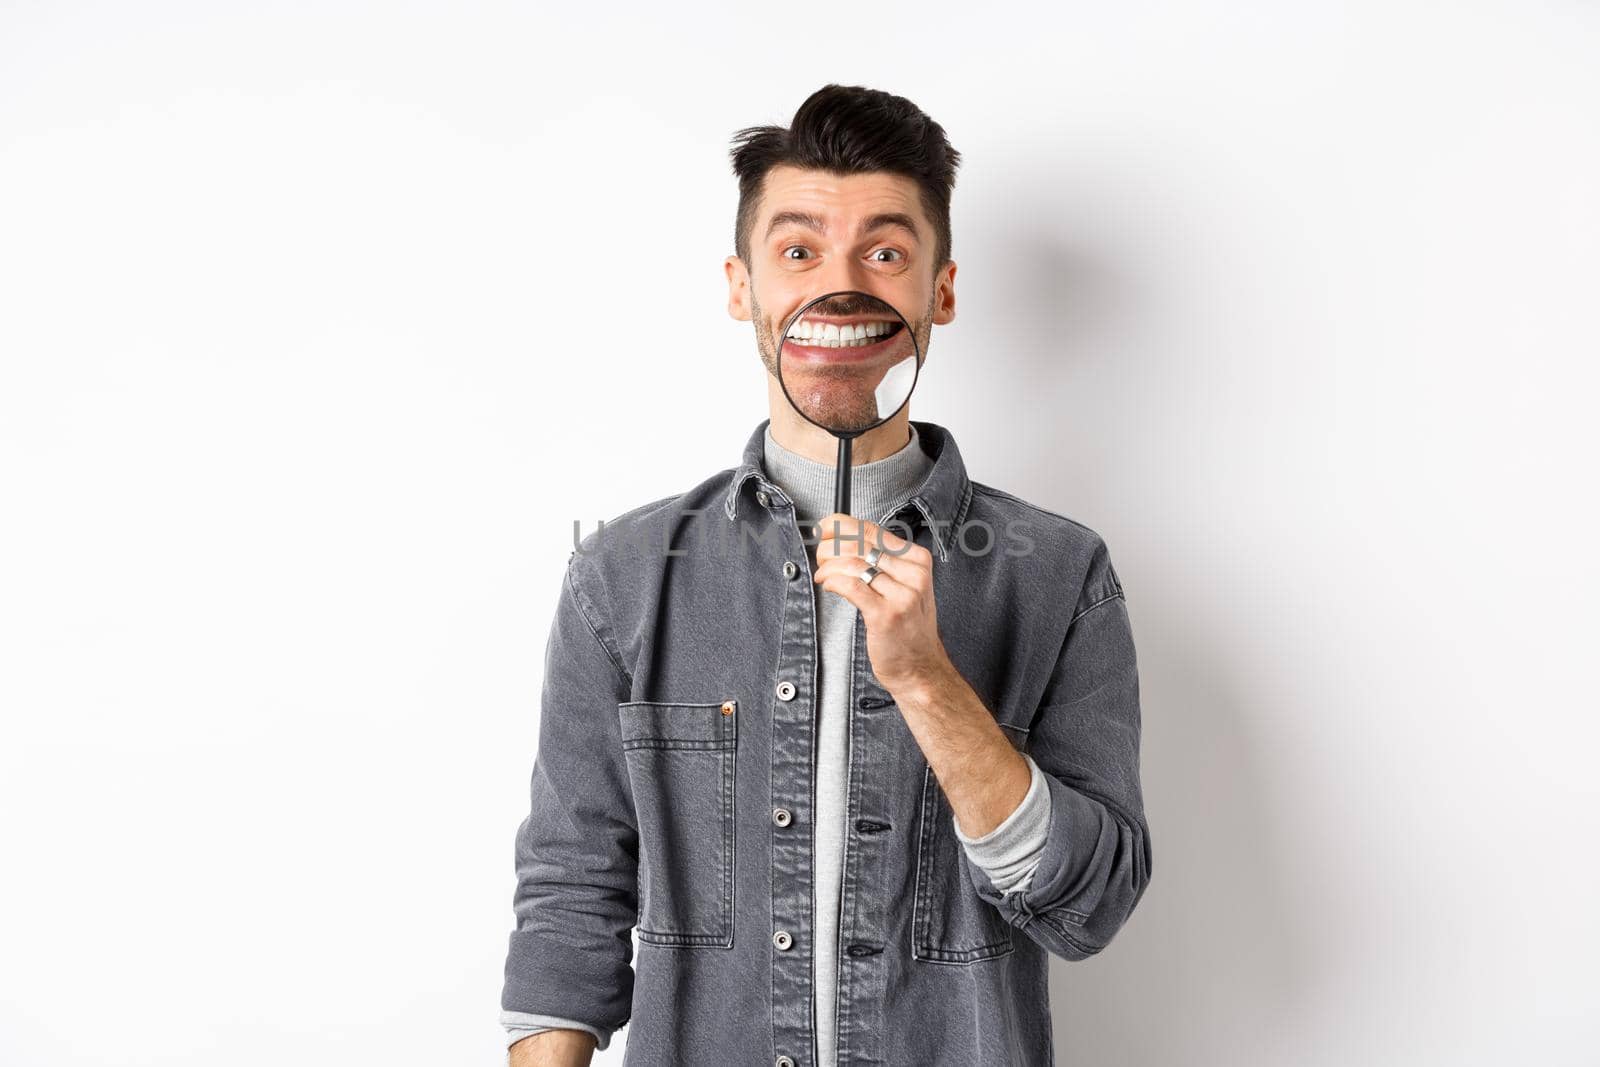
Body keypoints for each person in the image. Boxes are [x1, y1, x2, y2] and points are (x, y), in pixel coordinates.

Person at [500, 83, 1152, 1067]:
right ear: (741, 286)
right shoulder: (623, 576)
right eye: (798, 251)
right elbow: (573, 882)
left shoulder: (1060, 575)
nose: (838, 289)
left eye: (883, 253)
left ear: (939, 289)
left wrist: (927, 679)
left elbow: (1089, 902)